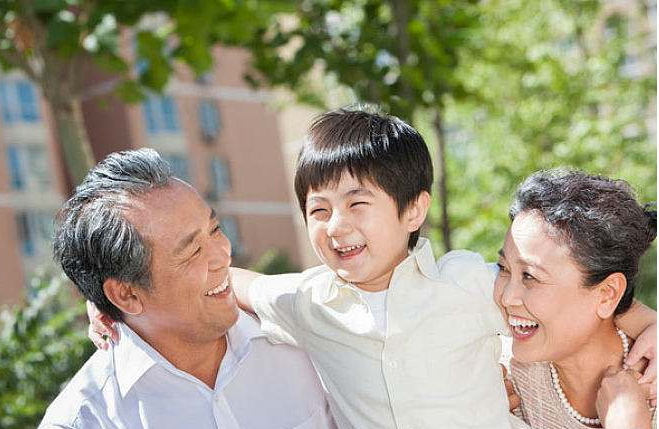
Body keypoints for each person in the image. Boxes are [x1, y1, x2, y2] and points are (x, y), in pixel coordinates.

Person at [90, 107, 656, 428]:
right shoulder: (308, 303)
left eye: (358, 204)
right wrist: (117, 299)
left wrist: (649, 324)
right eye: (318, 210)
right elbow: (236, 282)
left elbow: (562, 299)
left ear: (414, 210)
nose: (336, 225)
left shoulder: (466, 283)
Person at [39, 149, 335, 429]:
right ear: (126, 294)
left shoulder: (303, 331)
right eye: (193, 251)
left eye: (215, 230)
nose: (223, 255)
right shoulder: (85, 420)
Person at [495, 170, 656, 428]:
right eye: (503, 268)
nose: (506, 297)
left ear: (607, 294)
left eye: (529, 276)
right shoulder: (497, 377)